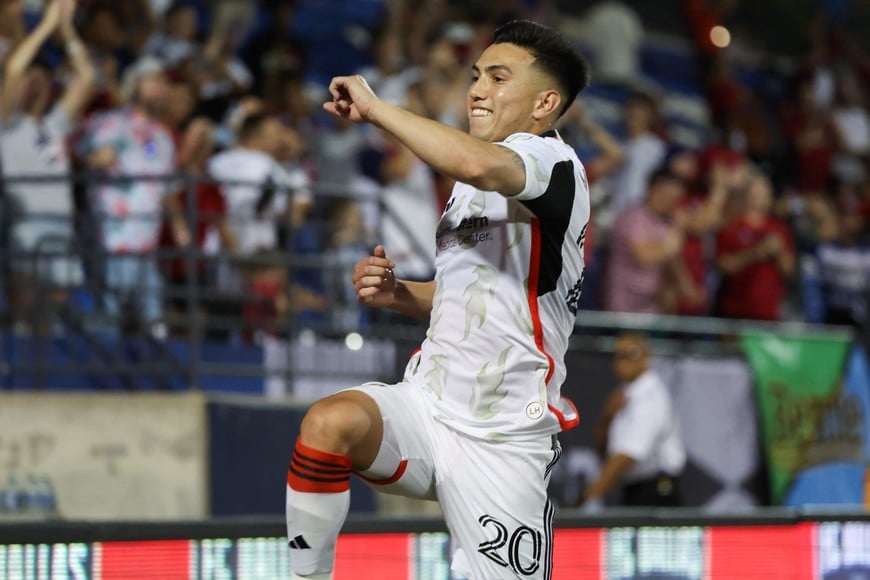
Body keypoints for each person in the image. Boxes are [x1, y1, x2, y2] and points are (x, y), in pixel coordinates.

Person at [286, 20, 590, 580]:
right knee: (329, 425)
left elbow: (475, 161)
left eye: (499, 78)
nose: (477, 89)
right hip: (428, 404)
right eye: (476, 75)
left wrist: (378, 110)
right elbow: (467, 293)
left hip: (503, 434)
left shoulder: (552, 164)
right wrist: (400, 293)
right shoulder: (471, 184)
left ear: (546, 102)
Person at [0, 0, 94, 329]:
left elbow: (86, 77)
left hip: (62, 227)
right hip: (26, 226)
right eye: (30, 78)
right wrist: (43, 27)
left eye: (42, 77)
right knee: (25, 306)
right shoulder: (7, 124)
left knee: (53, 312)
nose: (35, 82)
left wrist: (64, 28)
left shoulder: (54, 125)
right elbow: (12, 69)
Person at [579, 333, 686, 508]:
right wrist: (607, 418)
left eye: (630, 354)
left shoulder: (650, 395)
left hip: (656, 493)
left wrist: (587, 496)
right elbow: (604, 451)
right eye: (618, 355)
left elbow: (628, 455)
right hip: (635, 489)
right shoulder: (624, 394)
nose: (621, 362)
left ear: (646, 358)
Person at [603, 167, 686, 314]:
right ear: (652, 189)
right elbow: (644, 256)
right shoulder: (634, 217)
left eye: (674, 197)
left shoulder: (666, 222)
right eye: (666, 195)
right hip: (624, 304)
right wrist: (670, 243)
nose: (670, 201)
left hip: (651, 305)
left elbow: (672, 260)